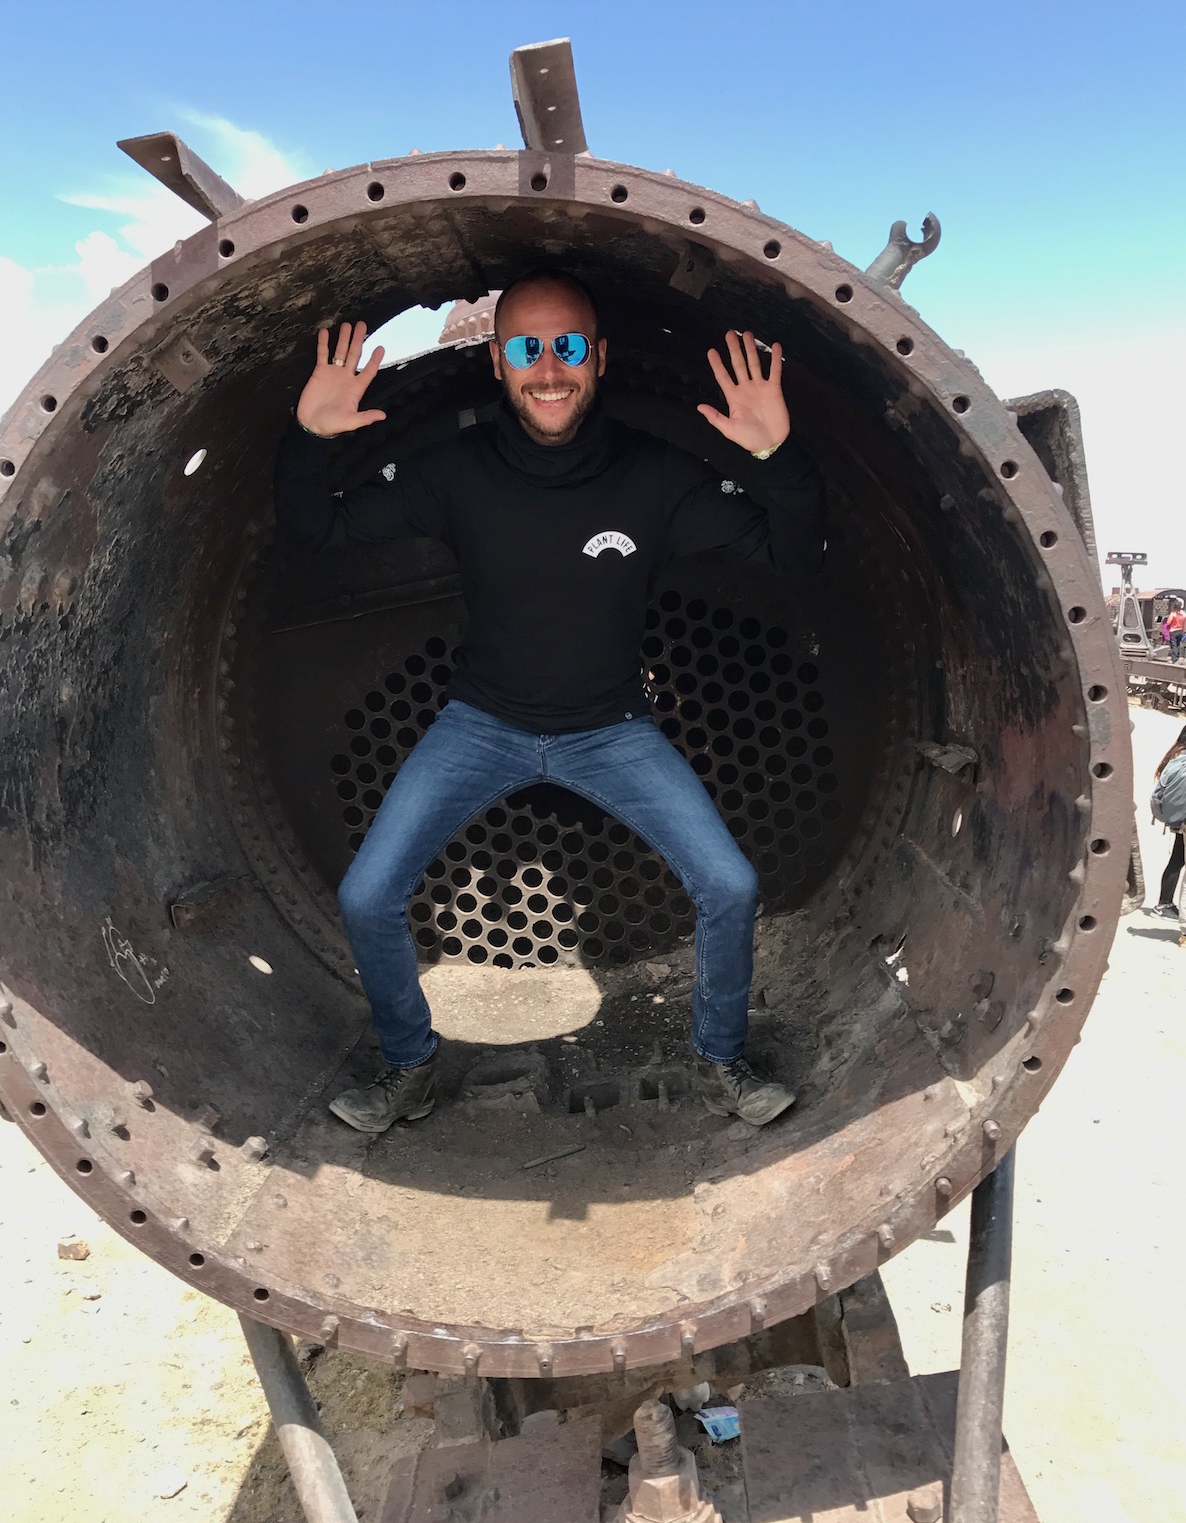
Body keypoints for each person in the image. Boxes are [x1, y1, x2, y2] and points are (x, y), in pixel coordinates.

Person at [274, 269, 825, 1133]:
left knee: (728, 885)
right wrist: (309, 438)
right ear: (499, 362)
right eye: (528, 349)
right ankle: (408, 1066)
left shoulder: (653, 474)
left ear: (597, 357)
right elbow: (318, 531)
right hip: (481, 726)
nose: (549, 368)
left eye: (567, 346)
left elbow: (790, 555)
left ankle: (721, 1061)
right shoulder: (455, 469)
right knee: (367, 896)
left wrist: (775, 455)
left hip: (612, 731)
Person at [1147, 725, 1186, 918]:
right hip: (1183, 818)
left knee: (1177, 859)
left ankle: (1164, 904)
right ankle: (1164, 905)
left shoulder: (1175, 755)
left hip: (1177, 818)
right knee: (1178, 859)